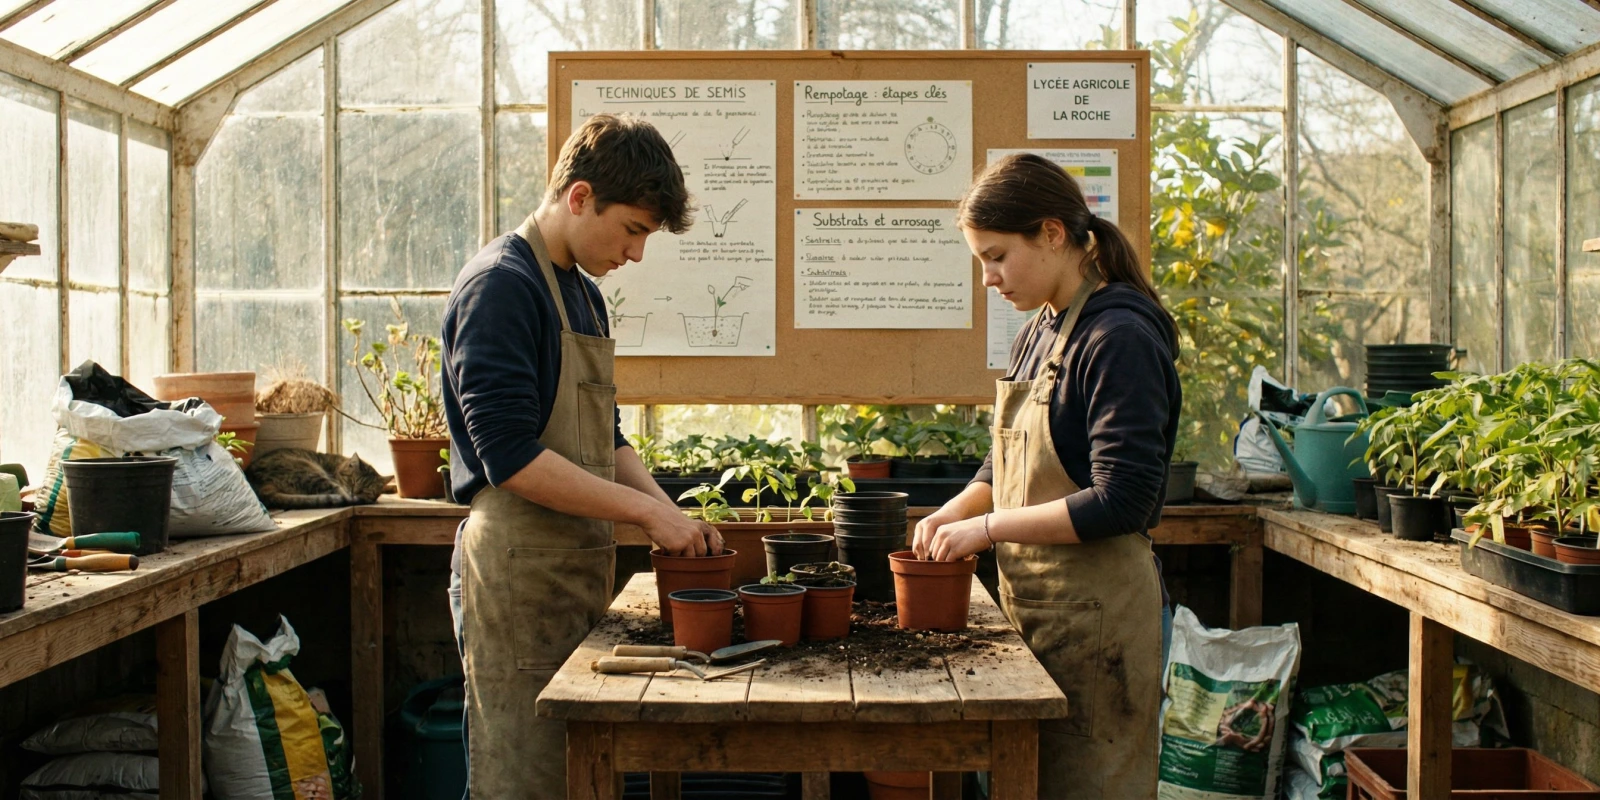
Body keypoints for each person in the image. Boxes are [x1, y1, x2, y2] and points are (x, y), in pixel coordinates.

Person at [442, 113, 724, 798]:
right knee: (526, 774)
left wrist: (668, 510)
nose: (636, 255)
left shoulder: (583, 295)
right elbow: (508, 456)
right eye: (632, 230)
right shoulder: (502, 287)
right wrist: (644, 517)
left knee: (579, 777)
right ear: (578, 197)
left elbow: (608, 439)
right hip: (518, 578)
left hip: (573, 572)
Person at [913, 152, 1181, 799]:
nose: (988, 278)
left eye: (997, 256)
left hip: (1101, 625)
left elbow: (1124, 499)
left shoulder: (1118, 336)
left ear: (1053, 234)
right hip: (1040, 614)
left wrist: (989, 527)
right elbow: (1002, 463)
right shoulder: (1039, 331)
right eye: (982, 260)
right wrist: (954, 511)